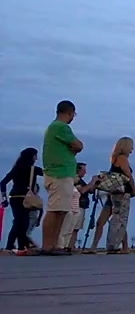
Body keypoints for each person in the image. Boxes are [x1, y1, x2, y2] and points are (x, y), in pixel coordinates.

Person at [41, 100, 85, 255]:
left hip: (60, 173)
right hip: (59, 173)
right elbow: (78, 145)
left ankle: (53, 244)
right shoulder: (61, 127)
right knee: (55, 210)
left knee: (61, 210)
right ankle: (48, 245)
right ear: (70, 113)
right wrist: (74, 148)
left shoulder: (54, 128)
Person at [2, 148, 42, 253]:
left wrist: (4, 198)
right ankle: (18, 247)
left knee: (19, 222)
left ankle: (17, 246)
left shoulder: (16, 168)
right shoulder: (33, 169)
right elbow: (48, 173)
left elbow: (3, 183)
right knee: (23, 223)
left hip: (14, 198)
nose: (36, 158)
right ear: (32, 156)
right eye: (35, 155)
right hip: (26, 198)